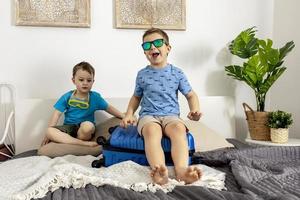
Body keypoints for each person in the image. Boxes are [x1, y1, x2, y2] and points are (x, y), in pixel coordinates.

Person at [121, 28, 202, 185]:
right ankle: (160, 171)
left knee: (178, 129)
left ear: (168, 48)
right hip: (148, 116)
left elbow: (191, 95)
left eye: (157, 43)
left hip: (171, 115)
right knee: (152, 131)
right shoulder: (142, 74)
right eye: (147, 45)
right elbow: (136, 97)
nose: (152, 47)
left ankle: (181, 171)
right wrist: (129, 114)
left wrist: (195, 109)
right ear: (144, 52)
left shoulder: (177, 73)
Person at [41, 61, 124, 147]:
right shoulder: (67, 96)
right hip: (69, 129)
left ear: (93, 82)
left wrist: (124, 116)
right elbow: (56, 114)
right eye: (81, 80)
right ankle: (82, 144)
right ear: (74, 81)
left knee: (88, 126)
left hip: (84, 130)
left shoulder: (95, 98)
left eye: (89, 80)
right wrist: (48, 134)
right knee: (49, 131)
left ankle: (76, 141)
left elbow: (109, 108)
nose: (85, 83)